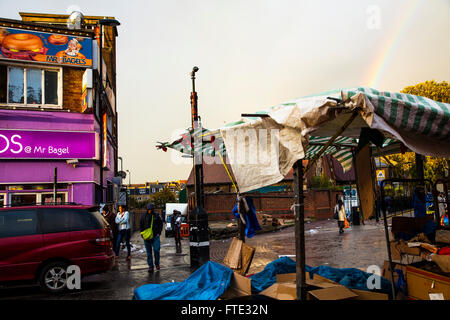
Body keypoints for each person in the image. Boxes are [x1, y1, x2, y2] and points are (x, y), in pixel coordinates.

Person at [140, 203, 163, 273]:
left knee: (156, 250)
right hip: (147, 237)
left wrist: (159, 232)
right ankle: (150, 266)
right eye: (149, 209)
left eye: (151, 209)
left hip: (155, 235)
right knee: (149, 253)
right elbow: (141, 225)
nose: (150, 210)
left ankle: (157, 264)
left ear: (153, 209)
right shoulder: (143, 216)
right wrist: (142, 233)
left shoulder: (156, 215)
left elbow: (160, 224)